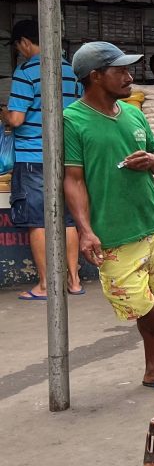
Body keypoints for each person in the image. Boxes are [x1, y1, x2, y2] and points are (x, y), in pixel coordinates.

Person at [63, 41, 154, 391]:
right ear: (95, 76)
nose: (129, 77)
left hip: (151, 220)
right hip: (112, 230)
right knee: (135, 301)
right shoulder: (72, 120)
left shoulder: (133, 113)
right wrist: (85, 230)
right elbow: (73, 180)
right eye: (120, 71)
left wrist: (152, 161)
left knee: (152, 298)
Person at [4, 18, 84, 300]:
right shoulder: (72, 71)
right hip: (68, 156)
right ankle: (74, 281)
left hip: (33, 157)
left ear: (25, 42)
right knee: (69, 220)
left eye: (18, 46)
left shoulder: (26, 71)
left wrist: (4, 114)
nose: (19, 52)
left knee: (38, 221)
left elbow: (16, 119)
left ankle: (45, 285)